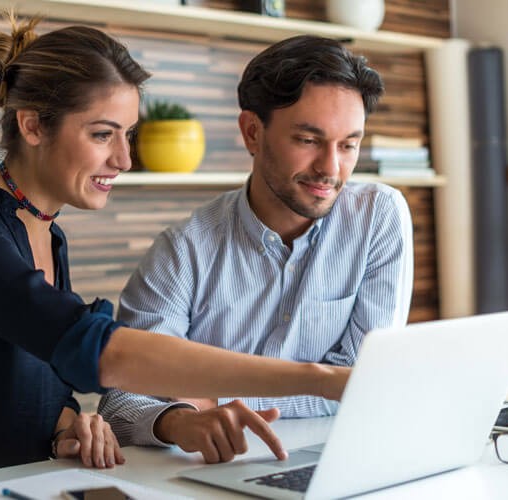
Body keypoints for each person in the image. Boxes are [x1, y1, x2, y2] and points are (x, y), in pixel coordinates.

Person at [0, 19, 352, 488]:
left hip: (7, 485)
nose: (124, 159)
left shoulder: (46, 232)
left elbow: (25, 375)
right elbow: (101, 352)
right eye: (102, 134)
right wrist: (319, 379)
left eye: (127, 134)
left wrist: (68, 422)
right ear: (33, 126)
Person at [98, 35, 414, 464]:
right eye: (308, 140)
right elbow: (120, 399)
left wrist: (215, 400)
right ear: (252, 132)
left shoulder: (378, 217)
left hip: (339, 458)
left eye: (348, 145)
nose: (331, 168)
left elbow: (362, 382)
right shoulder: (183, 252)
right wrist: (179, 420)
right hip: (211, 472)